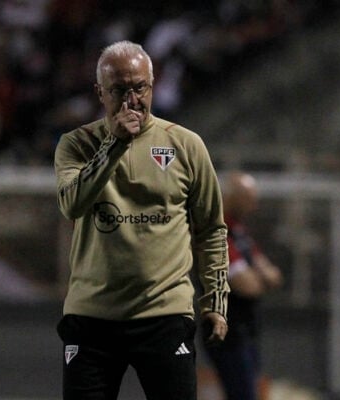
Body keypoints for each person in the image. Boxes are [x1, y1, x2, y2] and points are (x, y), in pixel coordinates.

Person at [54, 40, 230, 400]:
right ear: (100, 93)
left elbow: (211, 229)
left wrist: (215, 301)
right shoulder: (76, 144)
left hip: (164, 312)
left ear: (152, 85)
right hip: (93, 316)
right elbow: (72, 203)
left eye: (140, 87)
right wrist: (114, 145)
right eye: (119, 90)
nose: (132, 99)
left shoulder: (186, 145)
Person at [204, 171, 283, 400]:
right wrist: (261, 278)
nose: (254, 205)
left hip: (246, 330)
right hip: (226, 333)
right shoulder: (216, 232)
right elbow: (245, 285)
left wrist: (260, 277)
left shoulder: (239, 232)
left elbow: (273, 274)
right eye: (249, 198)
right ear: (233, 197)